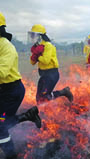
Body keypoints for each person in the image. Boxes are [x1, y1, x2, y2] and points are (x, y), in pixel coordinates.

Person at [0, 12, 41, 159]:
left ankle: (11, 155)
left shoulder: (6, 47)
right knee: (2, 121)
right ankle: (28, 115)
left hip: (11, 92)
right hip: (3, 91)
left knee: (0, 126)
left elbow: (2, 72)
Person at [28, 24, 73, 104]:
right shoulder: (37, 46)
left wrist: (38, 56)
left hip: (51, 74)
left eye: (33, 35)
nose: (32, 37)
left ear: (40, 36)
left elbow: (46, 61)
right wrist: (35, 55)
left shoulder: (48, 45)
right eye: (31, 35)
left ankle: (64, 92)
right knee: (39, 98)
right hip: (43, 75)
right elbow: (32, 62)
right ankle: (42, 113)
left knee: (44, 96)